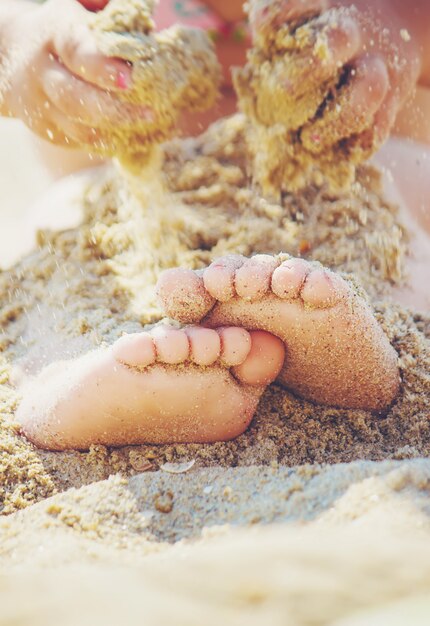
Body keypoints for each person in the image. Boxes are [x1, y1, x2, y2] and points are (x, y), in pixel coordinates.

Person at [2, 0, 429, 449]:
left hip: (352, 168)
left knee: (396, 216)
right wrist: (18, 41)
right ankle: (68, 376)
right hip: (121, 192)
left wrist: (401, 29)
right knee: (61, 232)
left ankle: (372, 343)